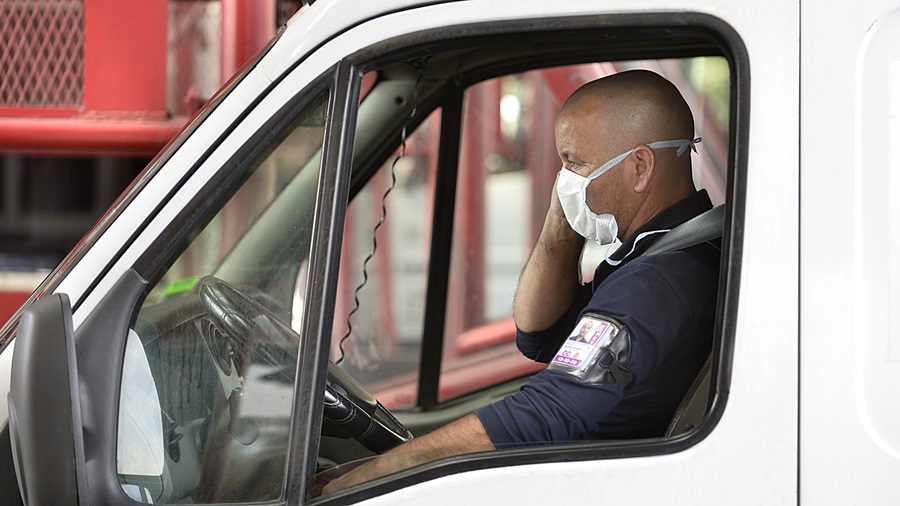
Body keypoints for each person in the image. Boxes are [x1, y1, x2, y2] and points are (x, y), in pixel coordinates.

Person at [322, 69, 720, 493]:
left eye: (574, 163)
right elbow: (539, 335)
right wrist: (562, 217)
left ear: (639, 167)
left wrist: (362, 479)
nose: (564, 181)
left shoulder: (655, 284)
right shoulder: (672, 252)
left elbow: (542, 415)